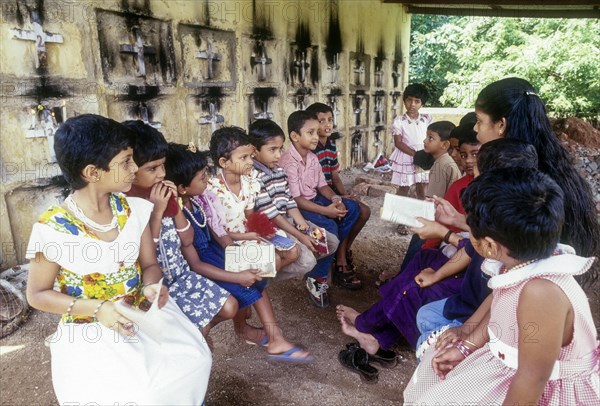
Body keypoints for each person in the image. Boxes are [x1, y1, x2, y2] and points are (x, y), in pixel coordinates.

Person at [26, 114, 211, 405]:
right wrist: (97, 308)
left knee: (195, 360)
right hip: (90, 329)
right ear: (92, 172)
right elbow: (37, 294)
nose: (134, 168)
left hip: (139, 314)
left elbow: (149, 265)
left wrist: (152, 287)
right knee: (141, 394)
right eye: (125, 161)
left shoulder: (135, 210)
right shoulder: (51, 228)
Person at [404, 167, 599, 405]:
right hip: (509, 364)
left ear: (488, 246)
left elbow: (531, 379)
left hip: (535, 389)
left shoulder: (542, 292)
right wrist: (466, 346)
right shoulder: (520, 263)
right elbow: (499, 301)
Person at [165, 142, 313, 362]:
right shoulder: (176, 215)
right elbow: (195, 264)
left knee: (257, 279)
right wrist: (236, 275)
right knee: (242, 289)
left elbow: (218, 231)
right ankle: (199, 331)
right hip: (203, 263)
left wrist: (236, 253)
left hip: (215, 253)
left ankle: (276, 338)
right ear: (182, 188)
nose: (207, 178)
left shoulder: (199, 201)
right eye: (202, 176)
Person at [413, 138, 539, 355]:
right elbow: (472, 252)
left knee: (429, 345)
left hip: (484, 321)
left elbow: (497, 300)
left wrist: (466, 339)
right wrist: (454, 222)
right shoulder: (500, 218)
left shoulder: (508, 242)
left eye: (479, 175)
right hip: (470, 305)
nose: (473, 177)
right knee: (425, 316)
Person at [122, 120, 236, 339]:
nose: (161, 174)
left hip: (180, 274)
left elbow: (187, 239)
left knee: (230, 306)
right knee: (188, 336)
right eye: (152, 168)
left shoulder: (163, 190)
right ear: (131, 168)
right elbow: (147, 257)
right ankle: (195, 337)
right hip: (155, 284)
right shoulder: (130, 202)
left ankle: (200, 332)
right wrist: (157, 211)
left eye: (162, 165)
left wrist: (174, 206)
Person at [474, 77, 600, 260]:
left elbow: (500, 247)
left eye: (479, 121)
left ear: (501, 125)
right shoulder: (555, 167)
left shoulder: (517, 184)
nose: (475, 128)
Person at [248, 119, 339, 308]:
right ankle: (261, 278)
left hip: (287, 219)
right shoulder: (254, 177)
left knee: (330, 243)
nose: (278, 154)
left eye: (280, 149)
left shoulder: (279, 170)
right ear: (255, 151)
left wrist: (304, 226)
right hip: (271, 225)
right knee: (306, 260)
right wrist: (300, 236)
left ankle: (283, 267)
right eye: (272, 150)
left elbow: (289, 202)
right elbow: (272, 215)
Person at [280, 110, 363, 294]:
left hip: (313, 199)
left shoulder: (312, 157)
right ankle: (316, 277)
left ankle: (327, 255)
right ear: (294, 136)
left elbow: (323, 186)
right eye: (310, 132)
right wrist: (327, 212)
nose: (316, 137)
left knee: (352, 209)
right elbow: (296, 200)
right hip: (297, 207)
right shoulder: (288, 162)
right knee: (329, 228)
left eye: (317, 132)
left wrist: (336, 199)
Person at [207, 126, 301, 271]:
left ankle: (259, 280)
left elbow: (250, 216)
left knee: (294, 252)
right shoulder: (213, 191)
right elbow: (217, 232)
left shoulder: (249, 182)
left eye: (250, 156)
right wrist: (248, 236)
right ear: (224, 162)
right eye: (243, 158)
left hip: (248, 233)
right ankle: (254, 285)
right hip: (230, 241)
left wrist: (262, 230)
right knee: (273, 259)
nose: (250, 162)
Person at [305, 102, 371, 274]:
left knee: (365, 211)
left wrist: (344, 194)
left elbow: (335, 176)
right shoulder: (311, 149)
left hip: (331, 188)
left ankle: (343, 249)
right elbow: (318, 185)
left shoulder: (331, 144)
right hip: (320, 191)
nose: (327, 124)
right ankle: (340, 256)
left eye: (330, 120)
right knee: (347, 212)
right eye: (322, 121)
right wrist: (337, 198)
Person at [389, 83, 432, 200]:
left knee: (422, 185)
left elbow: (431, 137)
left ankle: (422, 210)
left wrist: (425, 154)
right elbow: (398, 143)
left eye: (417, 101)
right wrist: (415, 155)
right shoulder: (399, 121)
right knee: (404, 187)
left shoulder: (426, 119)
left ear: (422, 103)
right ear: (404, 101)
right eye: (409, 100)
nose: (412, 104)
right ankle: (397, 212)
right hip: (406, 156)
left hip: (423, 155)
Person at [423, 120, 460, 199]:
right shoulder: (446, 161)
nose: (425, 141)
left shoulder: (440, 165)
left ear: (445, 144)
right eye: (426, 137)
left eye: (430, 138)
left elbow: (433, 200)